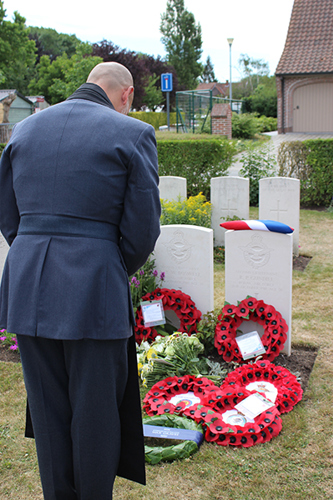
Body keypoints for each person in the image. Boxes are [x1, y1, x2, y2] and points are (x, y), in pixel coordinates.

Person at [0, 62, 161, 499]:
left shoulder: (25, 131)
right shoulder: (133, 134)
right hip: (95, 288)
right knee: (95, 414)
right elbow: (143, 230)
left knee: (49, 410)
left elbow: (10, 217)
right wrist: (106, 267)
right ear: (126, 95)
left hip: (28, 285)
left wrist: (36, 258)